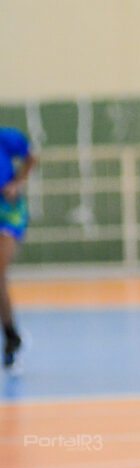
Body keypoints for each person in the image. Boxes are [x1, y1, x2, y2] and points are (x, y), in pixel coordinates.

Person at [0, 127, 36, 370]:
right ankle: (11, 331)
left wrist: (17, 182)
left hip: (7, 209)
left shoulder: (5, 137)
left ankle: (10, 335)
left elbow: (31, 156)